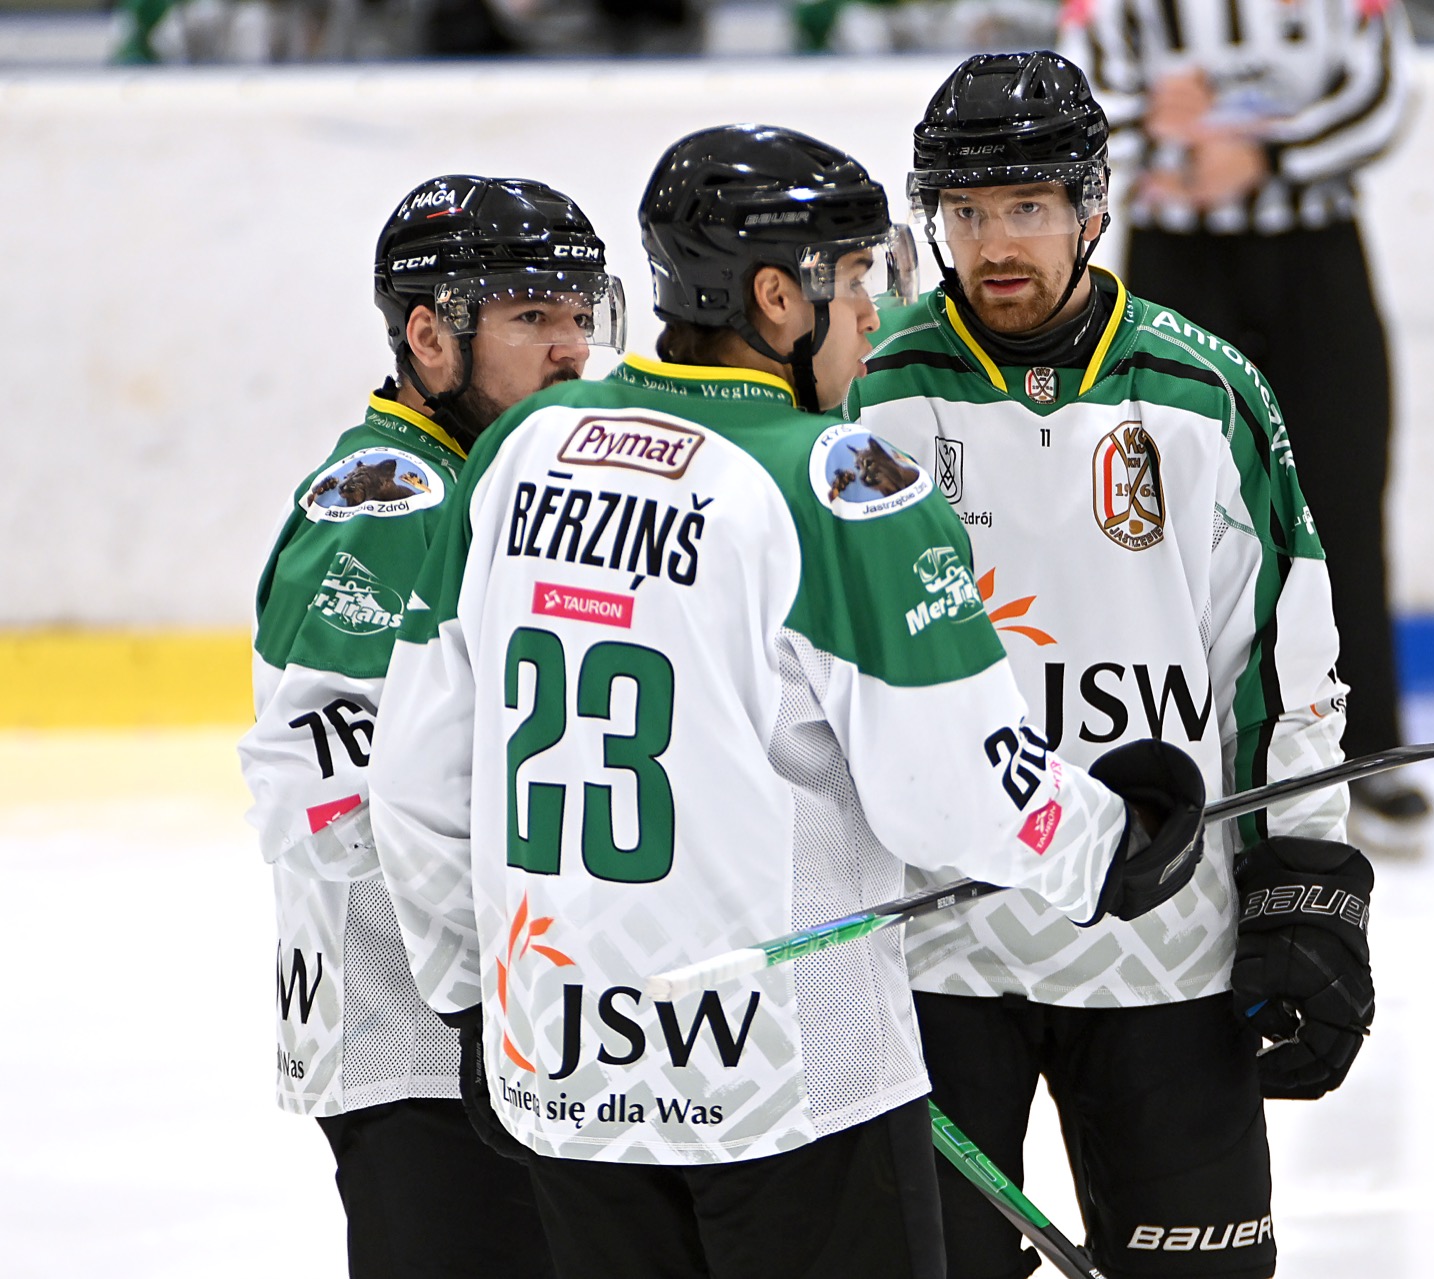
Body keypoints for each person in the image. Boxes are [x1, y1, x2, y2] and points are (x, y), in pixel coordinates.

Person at [366, 123, 1209, 1279]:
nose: (871, 314)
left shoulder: (519, 453)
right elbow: (951, 791)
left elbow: (417, 780)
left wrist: (477, 1003)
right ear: (775, 298)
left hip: (562, 1067)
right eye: (853, 281)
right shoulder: (838, 485)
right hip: (789, 1085)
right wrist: (1110, 843)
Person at [841, 51, 1375, 1279]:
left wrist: (1303, 880)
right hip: (934, 947)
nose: (995, 245)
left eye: (1027, 206)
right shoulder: (868, 397)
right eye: (967, 212)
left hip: (1162, 938)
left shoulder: (1204, 395)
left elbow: (1278, 665)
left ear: (1091, 206)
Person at [236, 173, 626, 1278]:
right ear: (429, 336)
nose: (569, 348)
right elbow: (316, 783)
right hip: (413, 1040)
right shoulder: (391, 500)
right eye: (531, 316)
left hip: (496, 1018)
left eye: (579, 314)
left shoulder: (493, 480)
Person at [1059, 0, 1428, 853]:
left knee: (1340, 499)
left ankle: (1365, 751)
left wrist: (1259, 152)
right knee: (1161, 515)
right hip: (1178, 260)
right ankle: (1169, 760)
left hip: (1316, 257)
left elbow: (1386, 95)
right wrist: (1180, 139)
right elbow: (1079, 109)